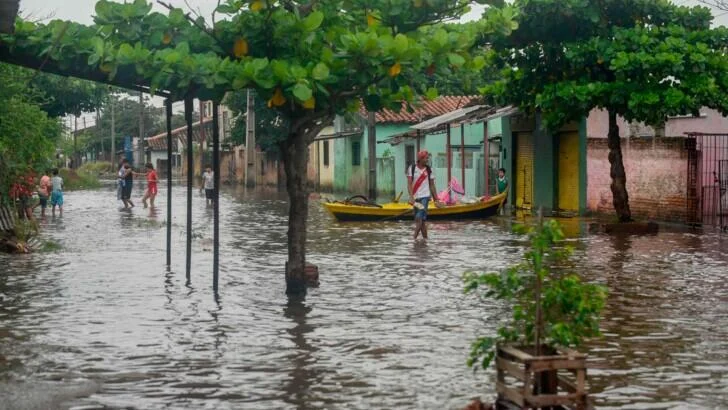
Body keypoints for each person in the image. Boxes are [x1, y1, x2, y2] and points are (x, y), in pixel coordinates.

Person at [407, 150, 440, 241]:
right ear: (421, 159)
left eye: (427, 158)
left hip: (425, 197)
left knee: (419, 217)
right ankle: (425, 240)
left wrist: (436, 199)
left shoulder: (429, 170)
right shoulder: (412, 168)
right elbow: (409, 184)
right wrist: (411, 196)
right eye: (426, 158)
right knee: (422, 221)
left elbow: (432, 185)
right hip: (415, 198)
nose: (427, 160)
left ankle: (413, 240)